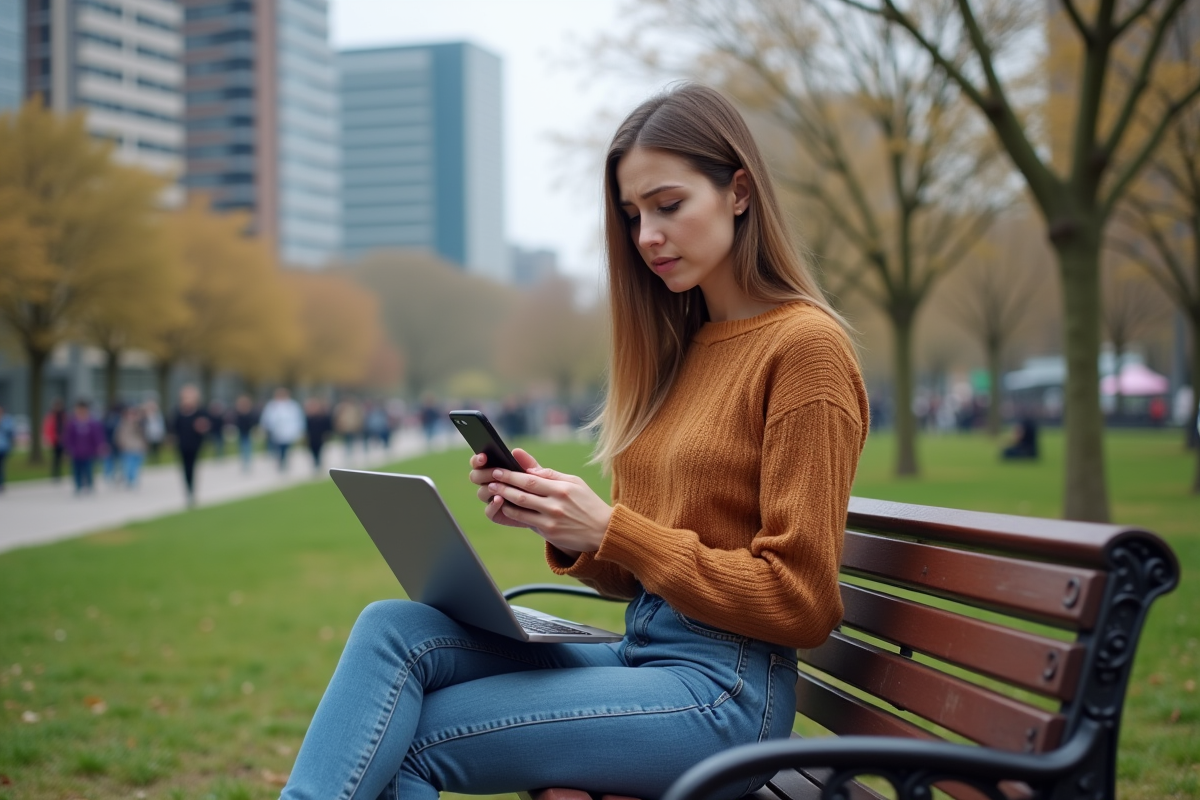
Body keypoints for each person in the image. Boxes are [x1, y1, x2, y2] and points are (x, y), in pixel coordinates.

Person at [280, 84, 869, 800]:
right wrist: (563, 521)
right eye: (631, 215)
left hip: (725, 693)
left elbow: (802, 602)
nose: (647, 235)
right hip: (645, 659)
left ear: (738, 192)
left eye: (669, 205)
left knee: (409, 741)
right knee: (393, 629)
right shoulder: (685, 351)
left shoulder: (804, 349)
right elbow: (636, 576)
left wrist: (614, 525)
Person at [171, 384, 210, 507]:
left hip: (195, 444)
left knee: (192, 467)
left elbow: (206, 425)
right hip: (182, 444)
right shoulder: (178, 411)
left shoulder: (200, 411)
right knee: (185, 468)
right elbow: (173, 427)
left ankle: (191, 491)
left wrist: (202, 427)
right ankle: (188, 490)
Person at [63, 400, 106, 495]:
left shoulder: (92, 423)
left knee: (88, 470)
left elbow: (97, 436)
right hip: (76, 452)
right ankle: (78, 486)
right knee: (76, 470)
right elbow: (68, 438)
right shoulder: (72, 423)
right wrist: (67, 450)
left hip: (89, 452)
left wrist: (100, 446)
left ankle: (90, 486)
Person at [260, 387, 305, 472]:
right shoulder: (272, 405)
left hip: (289, 431)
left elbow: (298, 418)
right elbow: (266, 418)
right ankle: (280, 461)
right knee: (277, 448)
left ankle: (283, 461)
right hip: (276, 431)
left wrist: (299, 430)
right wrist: (266, 427)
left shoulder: (292, 405)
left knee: (286, 448)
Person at [115, 405, 149, 488]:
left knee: (136, 466)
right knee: (128, 466)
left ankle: (133, 480)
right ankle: (130, 480)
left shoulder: (139, 424)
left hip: (138, 447)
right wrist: (121, 443)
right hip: (128, 448)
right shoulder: (123, 424)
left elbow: (144, 436)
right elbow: (119, 436)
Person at [304, 397, 333, 473]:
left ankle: (318, 463)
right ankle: (316, 462)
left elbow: (327, 426)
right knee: (313, 450)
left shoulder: (322, 417)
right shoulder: (308, 417)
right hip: (312, 437)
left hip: (320, 437)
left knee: (319, 450)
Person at [233, 395, 258, 472]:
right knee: (243, 447)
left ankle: (247, 463)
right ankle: (245, 463)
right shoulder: (238, 412)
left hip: (247, 432)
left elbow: (254, 421)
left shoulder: (250, 412)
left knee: (246, 447)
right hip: (241, 432)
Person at [43, 399, 66, 480]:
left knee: (60, 458)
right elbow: (48, 428)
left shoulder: (63, 415)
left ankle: (58, 474)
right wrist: (50, 438)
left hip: (62, 439)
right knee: (55, 458)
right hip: (55, 440)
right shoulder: (51, 415)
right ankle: (54, 474)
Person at [0, 405, 14, 493]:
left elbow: (10, 432)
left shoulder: (7, 420)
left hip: (3, 447)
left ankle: (2, 483)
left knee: (1, 466)